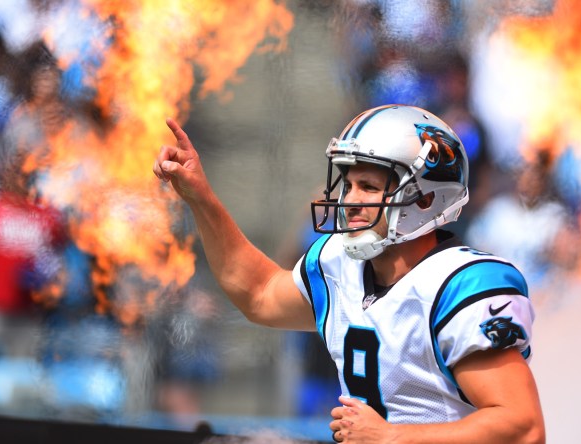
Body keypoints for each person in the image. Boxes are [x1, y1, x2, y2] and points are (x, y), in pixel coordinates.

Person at [153, 104, 545, 443]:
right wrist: (200, 197)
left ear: (426, 199)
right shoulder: (340, 263)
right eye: (349, 184)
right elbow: (256, 294)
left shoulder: (460, 286)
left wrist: (393, 437)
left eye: (369, 187)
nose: (350, 200)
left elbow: (523, 427)